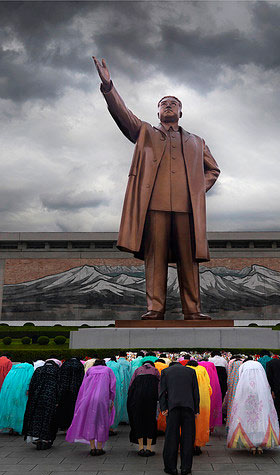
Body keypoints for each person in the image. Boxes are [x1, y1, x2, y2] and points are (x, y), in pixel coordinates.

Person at [92, 57, 220, 321]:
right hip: (154, 208)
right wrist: (108, 86)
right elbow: (122, 114)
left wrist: (198, 189)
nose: (169, 105)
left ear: (181, 112)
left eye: (174, 103)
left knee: (189, 260)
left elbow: (213, 170)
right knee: (155, 260)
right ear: (158, 112)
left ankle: (193, 310)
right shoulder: (145, 133)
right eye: (164, 103)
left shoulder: (197, 141)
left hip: (187, 209)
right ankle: (155, 308)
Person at [228, 360, 280, 453]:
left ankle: (250, 444)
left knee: (247, 420)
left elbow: (240, 380)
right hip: (261, 399)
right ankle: (260, 444)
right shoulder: (259, 368)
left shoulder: (243, 368)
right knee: (261, 419)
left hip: (247, 398)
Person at [66, 359, 116, 456]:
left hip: (88, 399)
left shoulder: (90, 370)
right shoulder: (108, 370)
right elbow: (112, 387)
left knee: (90, 421)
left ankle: (92, 448)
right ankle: (100, 448)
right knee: (102, 422)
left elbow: (83, 386)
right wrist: (111, 399)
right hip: (103, 399)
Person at [159, 359, 200, 475]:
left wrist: (163, 408)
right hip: (188, 408)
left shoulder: (166, 372)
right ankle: (186, 468)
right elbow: (195, 392)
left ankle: (171, 468)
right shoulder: (191, 371)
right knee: (188, 438)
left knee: (171, 437)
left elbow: (162, 392)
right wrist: (196, 409)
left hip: (172, 408)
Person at [22, 359, 61, 449]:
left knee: (37, 418)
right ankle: (45, 439)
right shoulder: (56, 371)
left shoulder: (38, 370)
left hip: (37, 398)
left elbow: (32, 384)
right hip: (50, 398)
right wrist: (57, 400)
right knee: (48, 419)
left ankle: (37, 438)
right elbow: (59, 387)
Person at [127, 361, 161, 456]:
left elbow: (131, 386)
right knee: (151, 422)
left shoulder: (137, 370)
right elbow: (160, 387)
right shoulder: (155, 371)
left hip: (137, 400)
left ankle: (141, 448)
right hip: (151, 401)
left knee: (139, 421)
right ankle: (149, 448)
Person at [0, 361, 35, 435]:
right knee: (20, 408)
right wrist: (28, 388)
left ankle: (10, 426)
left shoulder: (15, 367)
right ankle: (18, 427)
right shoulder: (30, 367)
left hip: (9, 389)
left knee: (10, 407)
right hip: (21, 389)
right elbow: (30, 378)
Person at [187, 360, 212, 455]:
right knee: (201, 423)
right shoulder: (202, 369)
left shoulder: (186, 370)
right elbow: (209, 387)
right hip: (203, 401)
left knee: (188, 423)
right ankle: (198, 445)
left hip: (188, 399)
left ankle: (189, 445)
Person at [56, 358, 85, 431]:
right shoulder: (79, 365)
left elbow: (60, 377)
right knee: (73, 407)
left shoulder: (65, 364)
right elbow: (81, 378)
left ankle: (63, 424)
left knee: (63, 406)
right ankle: (73, 424)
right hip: (75, 389)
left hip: (64, 389)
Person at [198, 360, 223, 431]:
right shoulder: (211, 365)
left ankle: (201, 425)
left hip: (201, 385)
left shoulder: (199, 366)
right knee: (212, 404)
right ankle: (210, 426)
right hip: (212, 383)